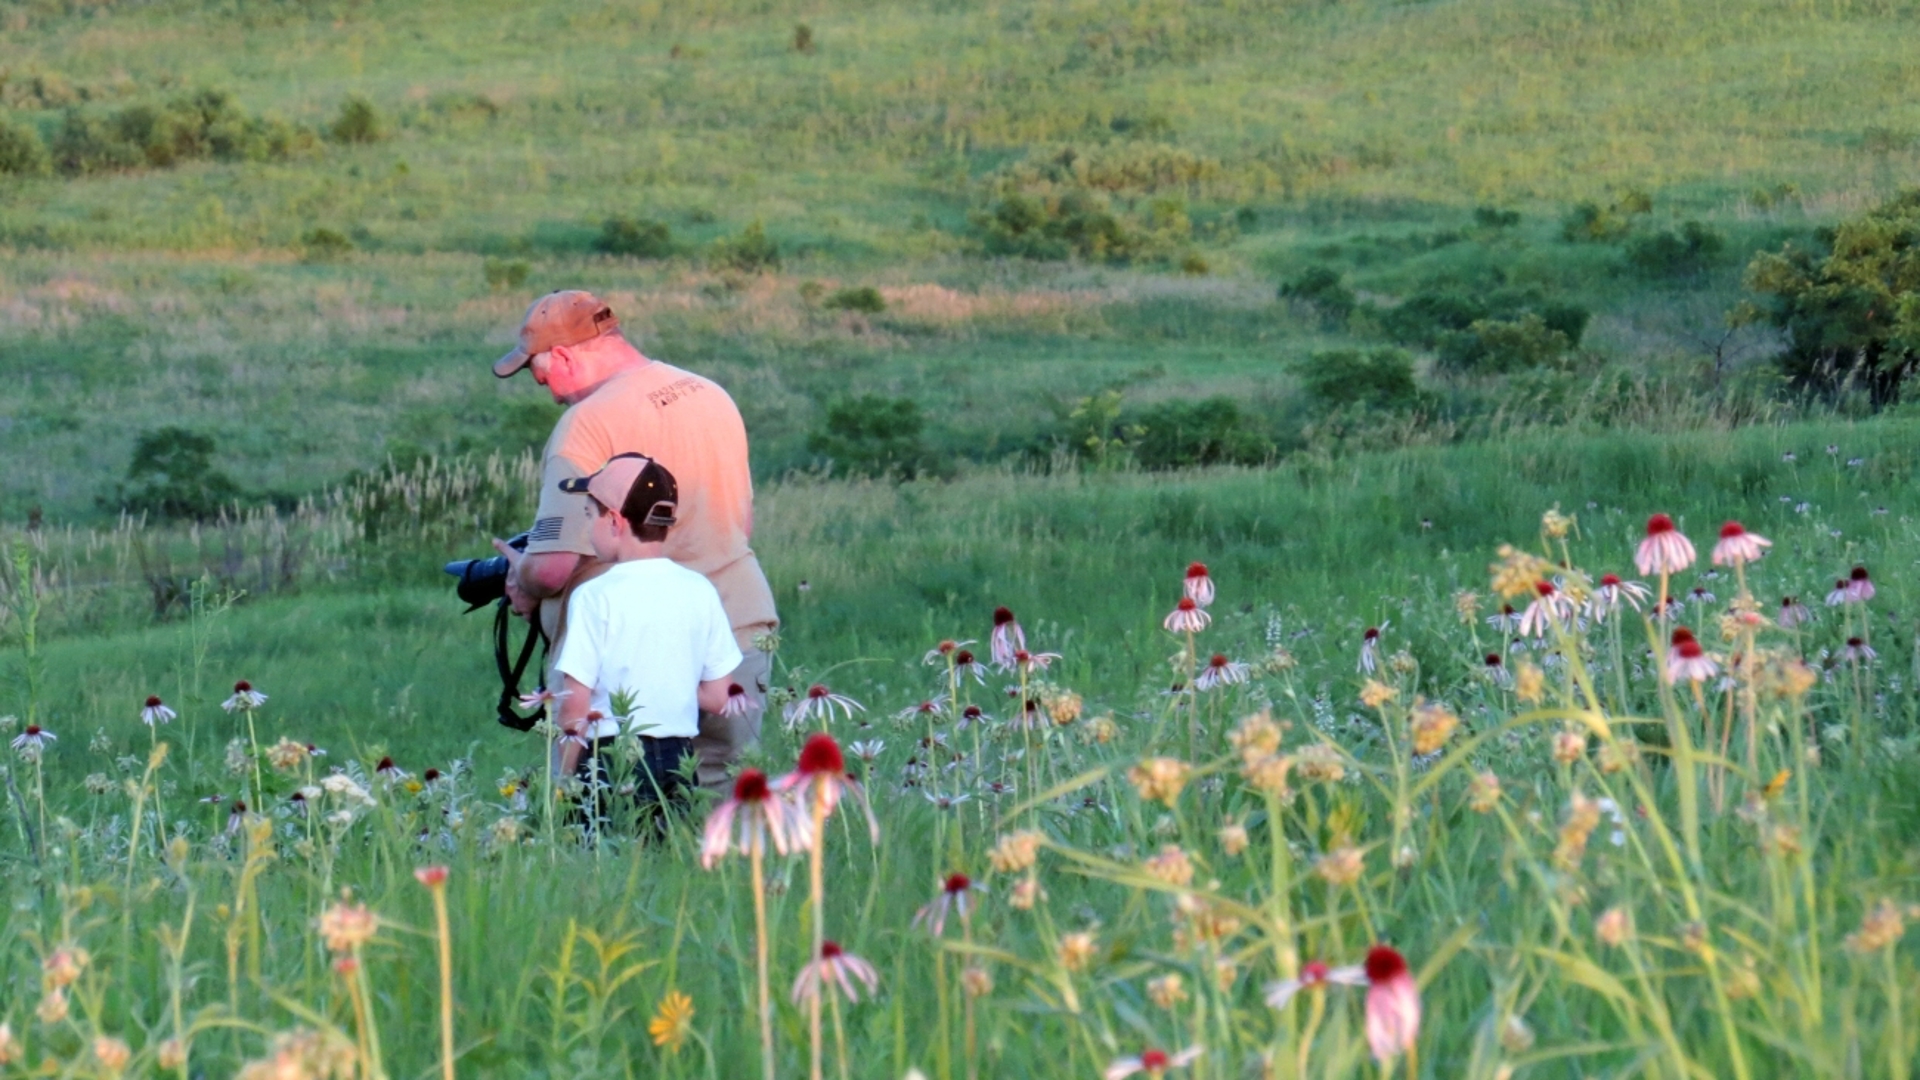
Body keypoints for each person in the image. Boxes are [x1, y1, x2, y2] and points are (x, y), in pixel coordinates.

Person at [488, 291, 778, 791]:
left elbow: (554, 566)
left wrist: (522, 577)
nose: (552, 393)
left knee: (609, 812)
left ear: (561, 355)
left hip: (626, 662)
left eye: (541, 376)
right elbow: (740, 523)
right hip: (735, 634)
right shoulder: (708, 392)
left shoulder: (585, 425)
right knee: (724, 805)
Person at [547, 453, 741, 824]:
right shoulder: (699, 589)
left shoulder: (594, 595)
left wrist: (564, 780)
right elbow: (719, 697)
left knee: (603, 863)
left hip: (610, 759)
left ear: (616, 521)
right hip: (678, 762)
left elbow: (575, 705)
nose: (589, 529)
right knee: (663, 865)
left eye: (591, 516)